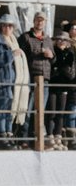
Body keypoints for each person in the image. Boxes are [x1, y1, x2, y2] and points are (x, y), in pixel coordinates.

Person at [0, 14, 27, 150]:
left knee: (11, 109)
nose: (8, 28)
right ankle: (1, 136)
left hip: (13, 83)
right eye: (5, 25)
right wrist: (11, 54)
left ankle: (9, 135)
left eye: (10, 25)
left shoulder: (14, 41)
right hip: (1, 82)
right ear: (0, 27)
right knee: (2, 110)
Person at [18, 12, 54, 146]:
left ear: (45, 23)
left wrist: (51, 55)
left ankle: (37, 138)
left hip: (45, 78)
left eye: (42, 21)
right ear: (33, 21)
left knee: (41, 111)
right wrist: (37, 53)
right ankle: (23, 138)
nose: (40, 23)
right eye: (38, 20)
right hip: (31, 77)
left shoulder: (48, 39)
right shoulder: (26, 37)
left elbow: (54, 59)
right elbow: (21, 56)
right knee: (27, 109)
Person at [47, 31, 73, 149]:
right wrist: (60, 68)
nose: (61, 42)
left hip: (64, 86)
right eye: (59, 39)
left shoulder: (70, 54)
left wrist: (61, 69)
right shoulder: (53, 52)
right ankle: (50, 135)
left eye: (63, 40)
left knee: (60, 113)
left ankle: (58, 136)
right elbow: (52, 67)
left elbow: (69, 71)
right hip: (53, 85)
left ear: (68, 42)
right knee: (51, 112)